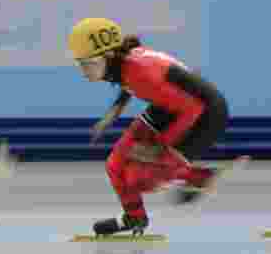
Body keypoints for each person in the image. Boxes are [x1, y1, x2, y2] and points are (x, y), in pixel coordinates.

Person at [67, 17, 231, 237]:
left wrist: (159, 148)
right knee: (115, 165)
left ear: (108, 56)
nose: (83, 71)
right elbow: (128, 84)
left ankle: (198, 176)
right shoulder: (122, 64)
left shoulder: (140, 72)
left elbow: (192, 108)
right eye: (80, 64)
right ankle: (134, 217)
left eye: (88, 64)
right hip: (170, 105)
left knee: (139, 179)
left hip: (205, 114)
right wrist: (111, 115)